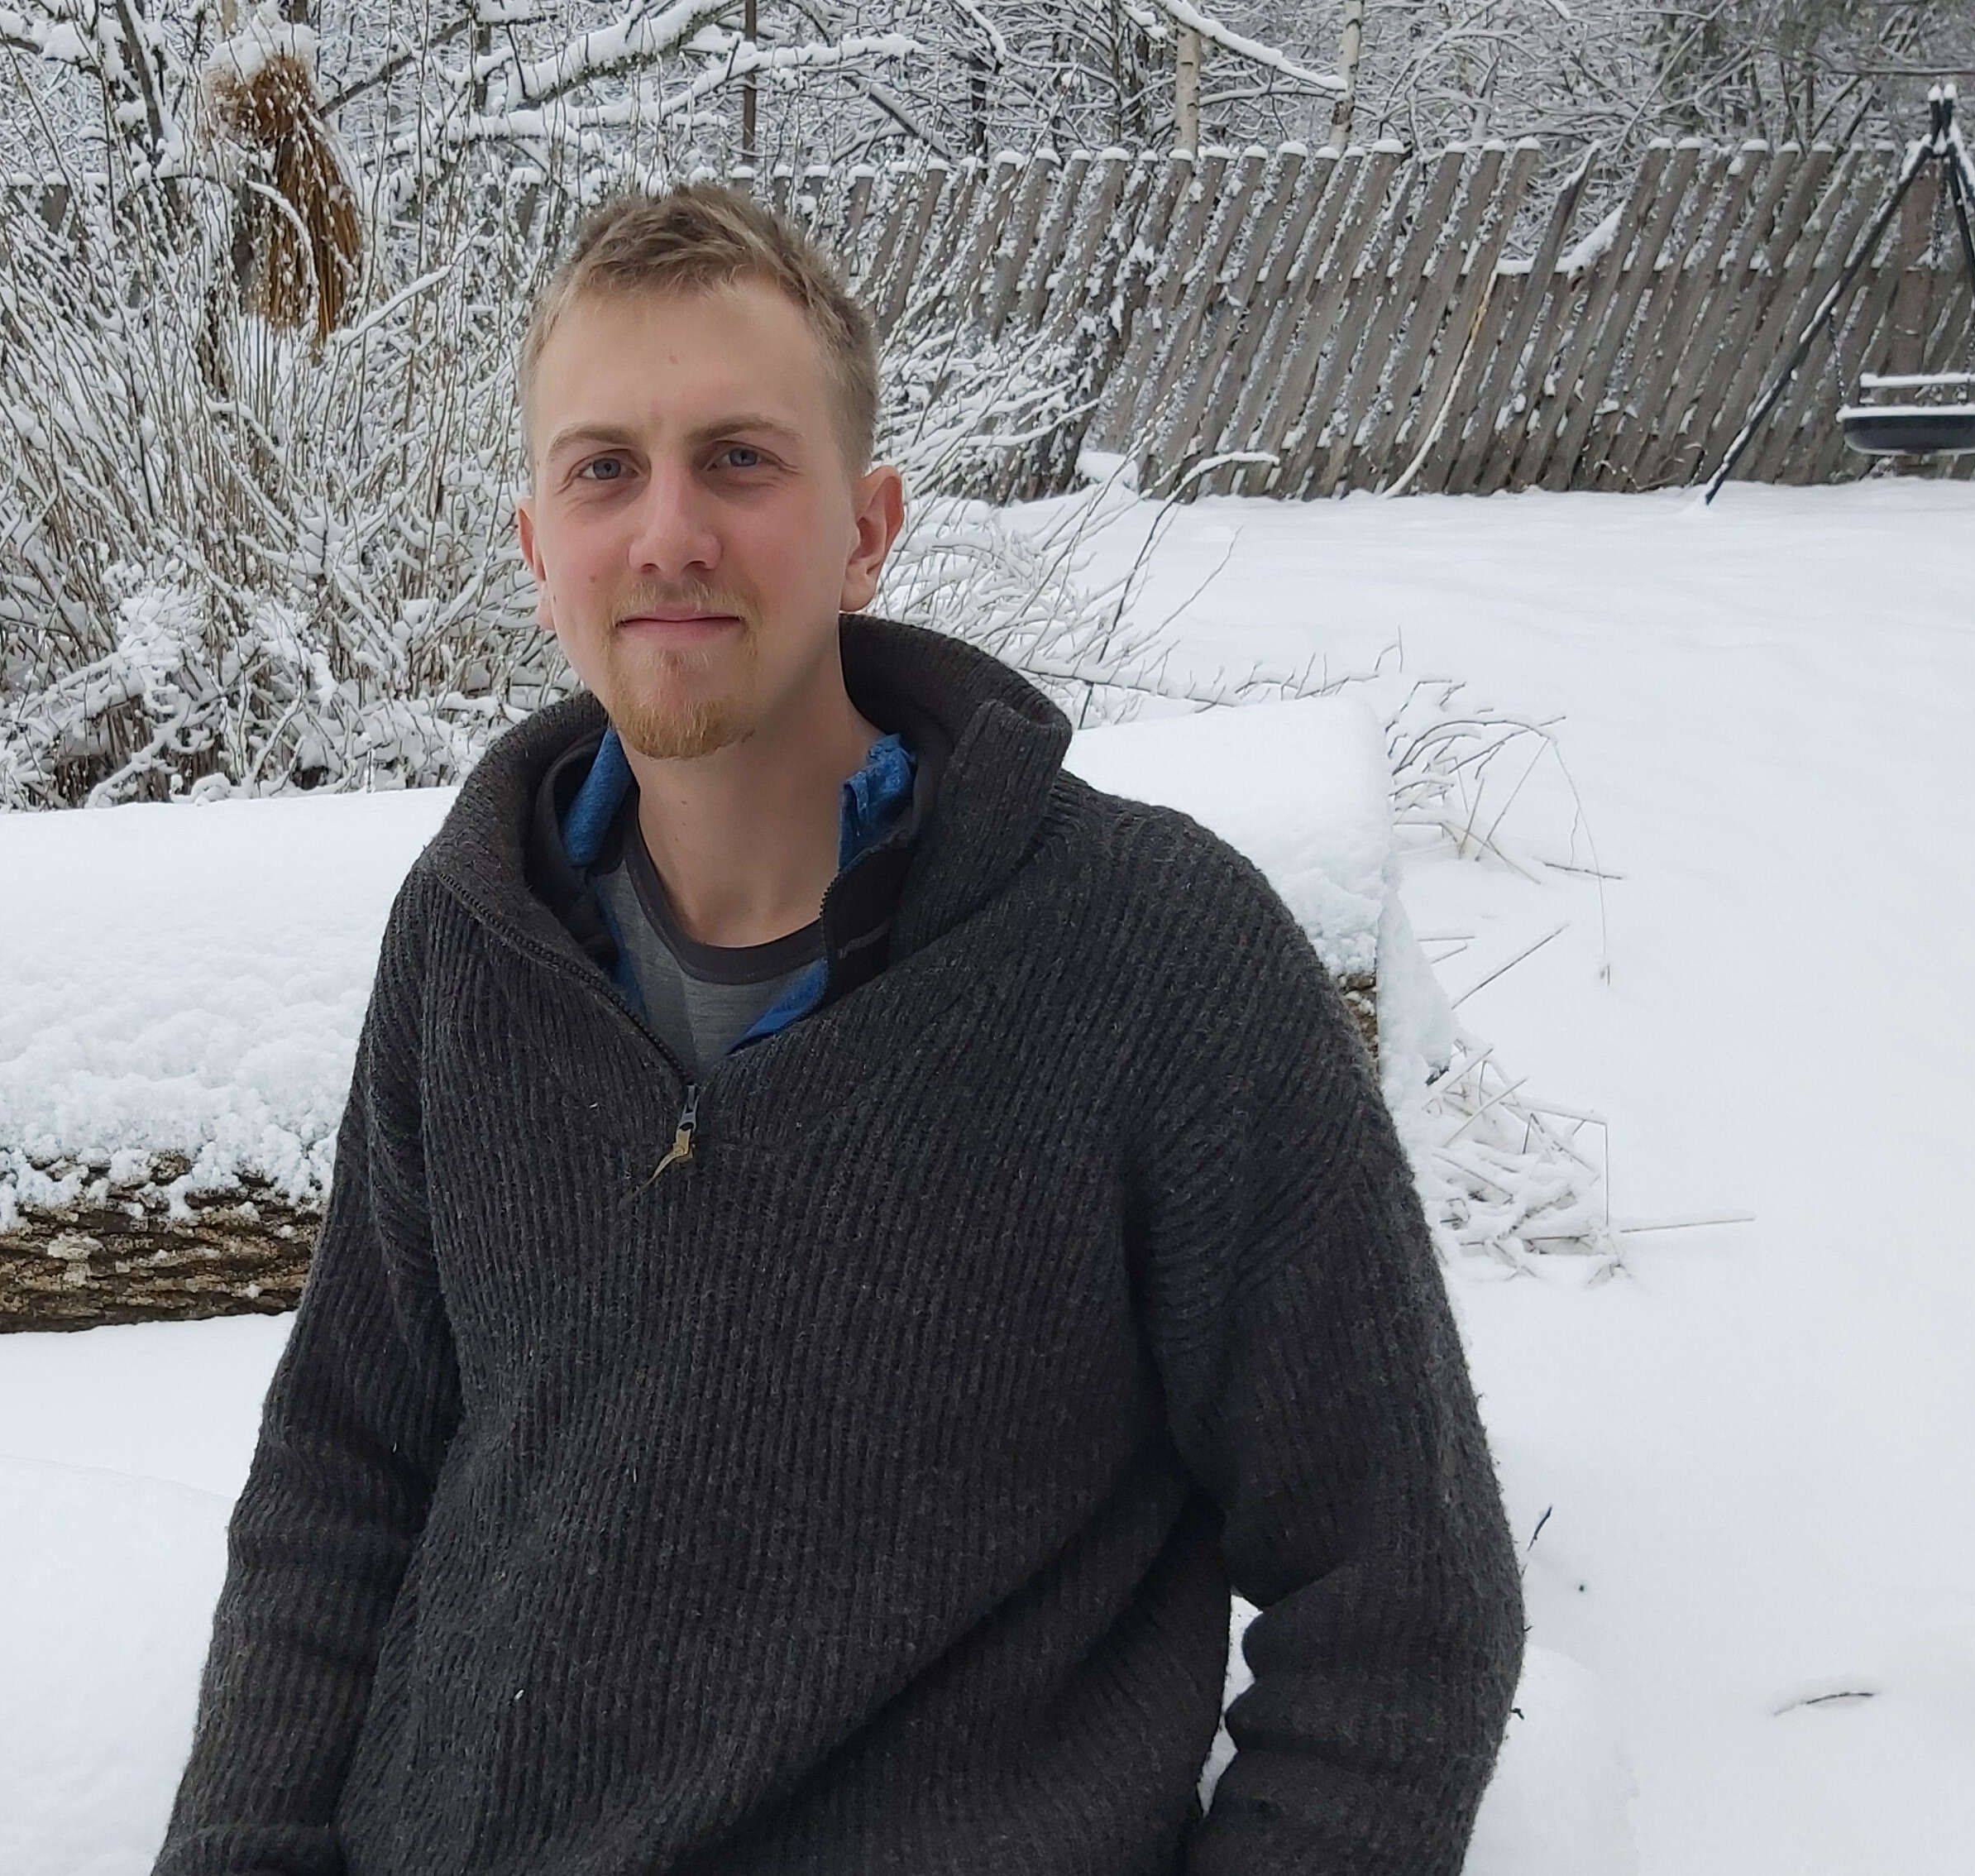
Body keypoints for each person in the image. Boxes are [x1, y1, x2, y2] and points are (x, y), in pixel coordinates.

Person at [153, 181, 1525, 1876]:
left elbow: (1405, 1598)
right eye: (604, 469)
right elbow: (341, 1481)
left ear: (868, 529)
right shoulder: (472, 941)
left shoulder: (1152, 959)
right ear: (535, 548)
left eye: (739, 460)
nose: (668, 532)